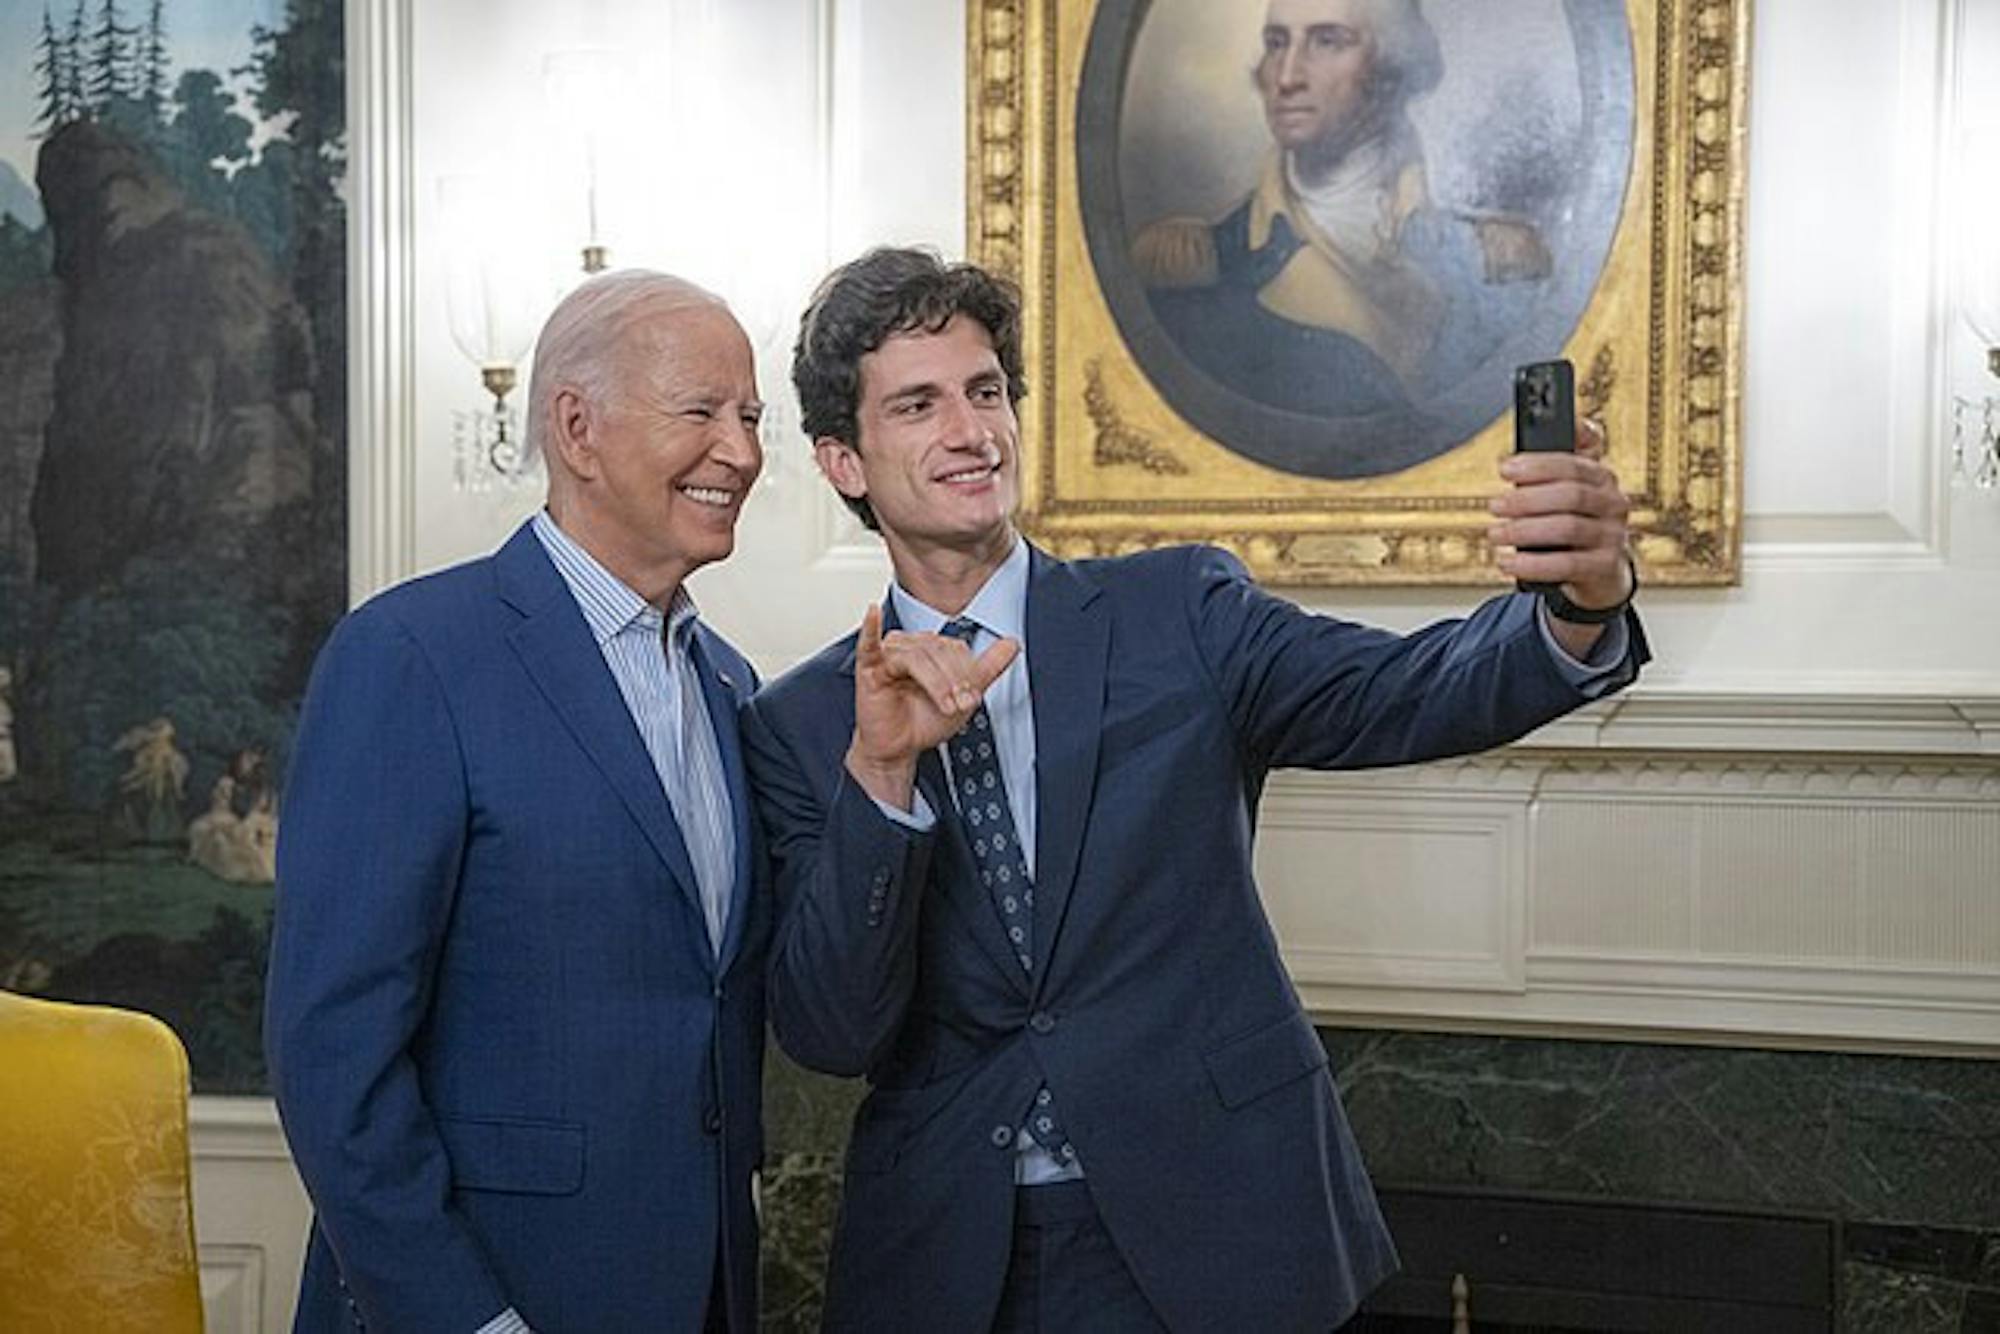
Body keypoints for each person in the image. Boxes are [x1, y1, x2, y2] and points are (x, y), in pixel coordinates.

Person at [742, 246, 1646, 1332]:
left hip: (1214, 1225)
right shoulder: (796, 727)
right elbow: (830, 1030)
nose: (970, 432)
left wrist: (1578, 604)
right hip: (948, 1256)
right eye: (918, 404)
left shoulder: (1179, 610)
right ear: (843, 461)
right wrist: (881, 773)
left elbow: (1410, 689)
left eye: (985, 391)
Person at [267, 271, 768, 1333]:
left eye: (751, 415)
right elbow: (332, 1053)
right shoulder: (408, 655)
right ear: (576, 428)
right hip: (476, 1303)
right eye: (703, 412)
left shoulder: (733, 685)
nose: (742, 450)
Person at [1134, 0, 1550, 419]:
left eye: (1327, 41)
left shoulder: (1496, 262)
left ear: (1393, 66)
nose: (1287, 76)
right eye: (1277, 43)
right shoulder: (1198, 270)